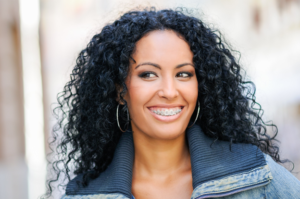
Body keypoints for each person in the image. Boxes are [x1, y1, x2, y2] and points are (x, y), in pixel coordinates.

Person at [45, 8, 300, 199]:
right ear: (120, 91)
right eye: (148, 74)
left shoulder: (258, 177)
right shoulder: (83, 196)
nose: (169, 91)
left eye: (184, 74)